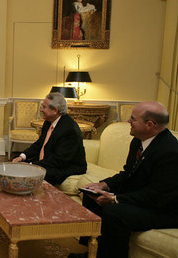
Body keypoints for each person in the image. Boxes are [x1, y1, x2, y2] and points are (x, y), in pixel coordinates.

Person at [69, 102, 178, 258]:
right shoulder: (138, 140)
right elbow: (128, 173)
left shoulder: (171, 152)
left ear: (150, 125)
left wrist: (115, 198)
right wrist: (104, 185)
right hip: (143, 196)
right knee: (91, 193)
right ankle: (93, 252)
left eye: (133, 118)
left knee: (114, 212)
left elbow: (157, 195)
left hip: (163, 210)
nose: (128, 121)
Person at [12, 92, 87, 185]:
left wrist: (31, 166)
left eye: (44, 107)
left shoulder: (69, 129)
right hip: (49, 161)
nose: (41, 109)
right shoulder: (48, 121)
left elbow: (59, 160)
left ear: (55, 110)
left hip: (66, 166)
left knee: (32, 173)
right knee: (16, 162)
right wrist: (22, 157)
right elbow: (39, 144)